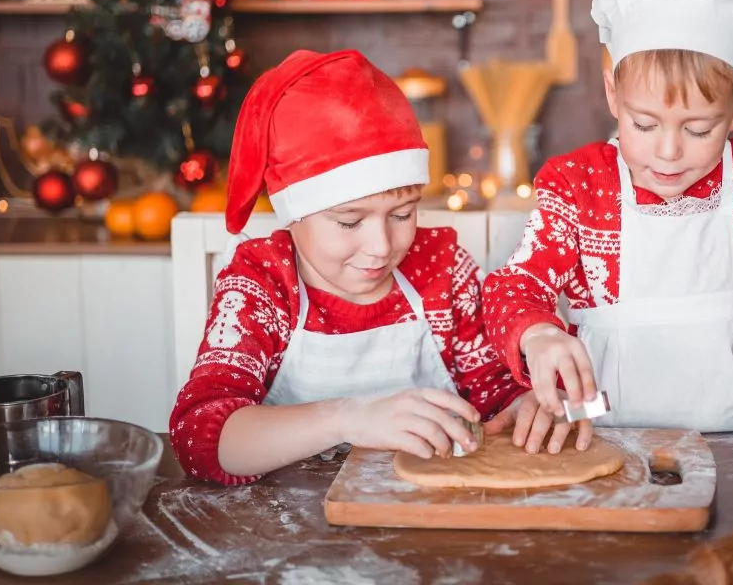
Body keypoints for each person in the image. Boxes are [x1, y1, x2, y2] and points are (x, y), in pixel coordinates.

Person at [483, 0, 733, 465]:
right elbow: (516, 286)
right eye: (644, 124)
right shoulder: (577, 184)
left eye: (698, 129)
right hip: (594, 450)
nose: (669, 152)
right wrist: (536, 336)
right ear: (612, 94)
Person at [170, 49, 537, 485]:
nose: (382, 246)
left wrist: (521, 405)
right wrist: (347, 418)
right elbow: (199, 441)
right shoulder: (263, 285)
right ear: (295, 212)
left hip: (420, 518)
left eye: (402, 214)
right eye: (349, 221)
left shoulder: (441, 270)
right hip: (286, 532)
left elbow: (493, 394)